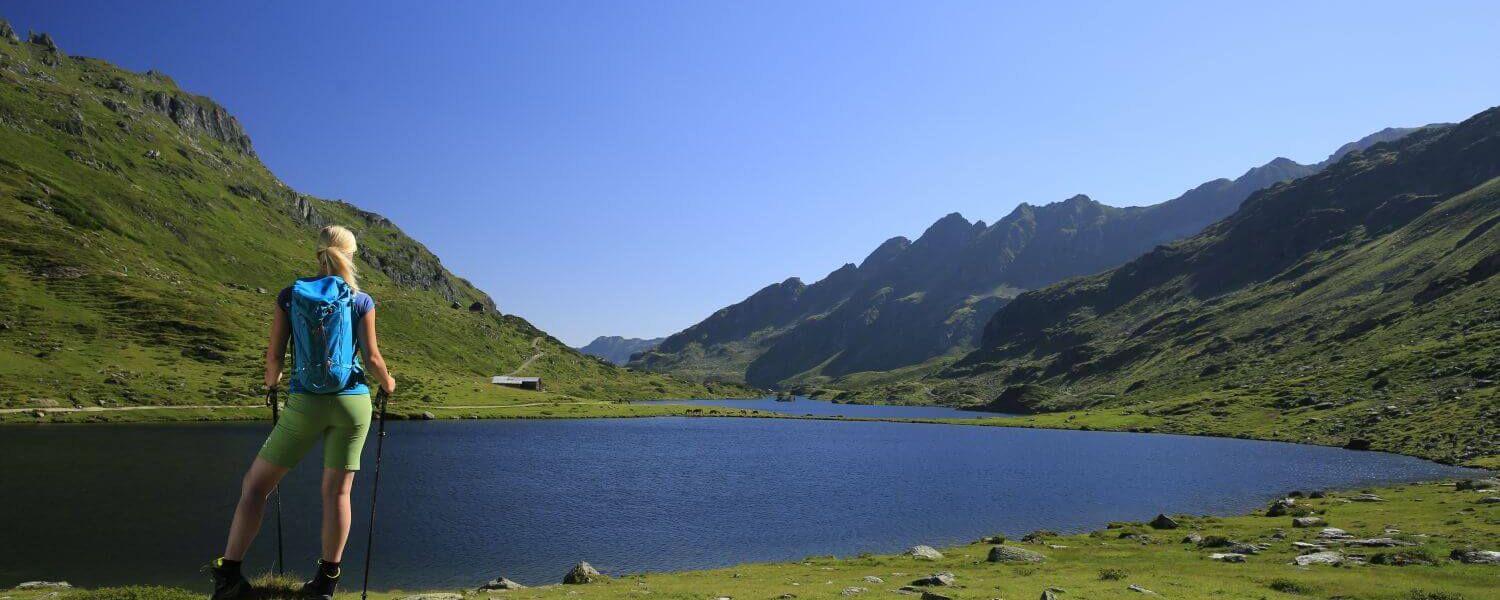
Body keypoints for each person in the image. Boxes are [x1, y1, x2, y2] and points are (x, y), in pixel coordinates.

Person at [210, 225, 396, 600]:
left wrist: (272, 382)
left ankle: (229, 577)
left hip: (305, 404)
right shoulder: (361, 300)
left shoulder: (290, 296)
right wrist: (388, 383)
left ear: (318, 254)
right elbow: (373, 359)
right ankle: (325, 584)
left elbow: (274, 358)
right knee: (337, 492)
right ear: (351, 256)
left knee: (256, 486)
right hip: (352, 403)